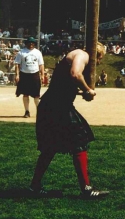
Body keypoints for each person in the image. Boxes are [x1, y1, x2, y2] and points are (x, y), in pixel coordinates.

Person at [30, 43, 109, 199]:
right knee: (80, 138)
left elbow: (65, 84)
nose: (99, 63)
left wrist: (83, 92)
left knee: (50, 147)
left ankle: (35, 186)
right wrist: (87, 90)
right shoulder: (82, 55)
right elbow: (75, 74)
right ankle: (87, 189)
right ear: (98, 56)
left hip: (52, 105)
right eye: (101, 59)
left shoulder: (75, 55)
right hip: (58, 107)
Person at [15, 37, 44, 118]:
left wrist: (42, 75)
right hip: (24, 75)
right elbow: (17, 64)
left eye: (33, 43)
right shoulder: (21, 52)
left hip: (35, 74)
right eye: (29, 43)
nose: (31, 44)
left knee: (36, 95)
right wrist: (17, 75)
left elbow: (41, 64)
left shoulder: (38, 52)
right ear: (26, 43)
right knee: (25, 94)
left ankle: (40, 112)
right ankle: (27, 111)